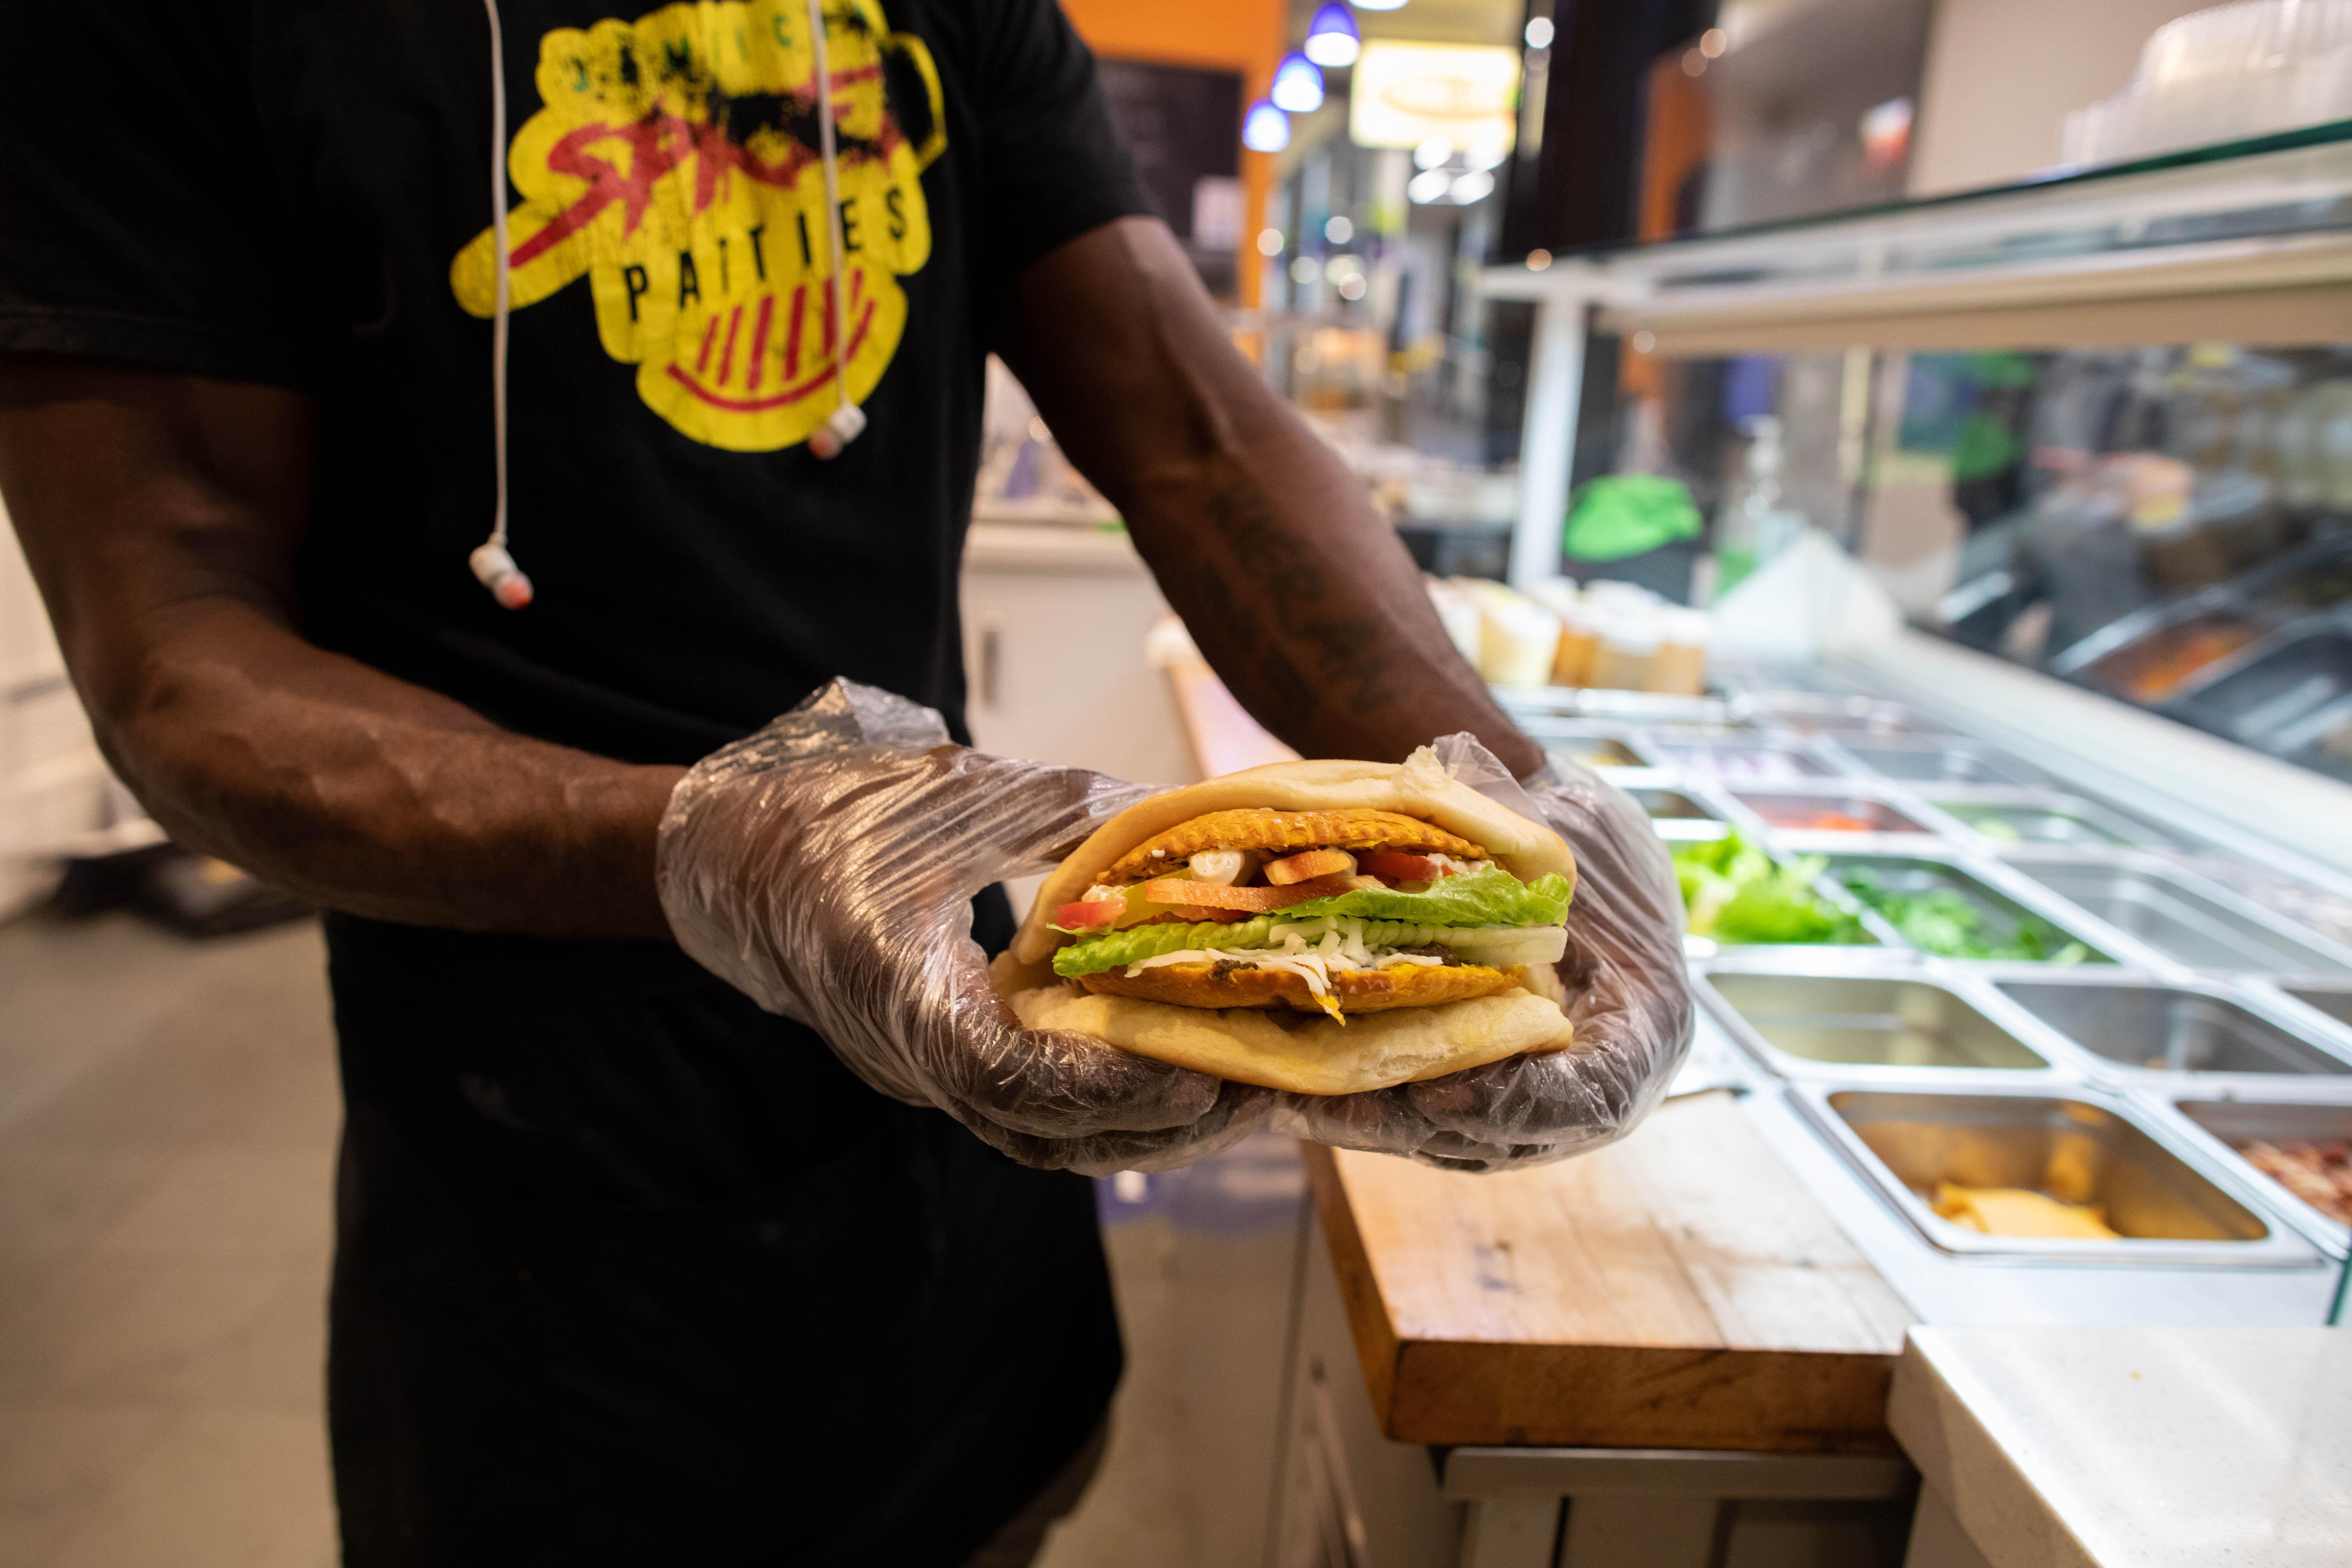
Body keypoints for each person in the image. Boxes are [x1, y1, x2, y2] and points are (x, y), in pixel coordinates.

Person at [0, 2, 1555, 1564]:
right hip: (550, 1198)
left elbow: (1196, 430)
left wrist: (1511, 803)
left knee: (995, 1504)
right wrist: (711, 849)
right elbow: (174, 657)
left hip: (968, 1076)